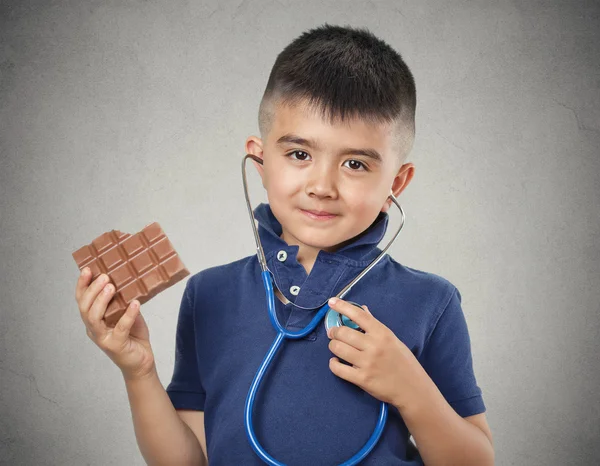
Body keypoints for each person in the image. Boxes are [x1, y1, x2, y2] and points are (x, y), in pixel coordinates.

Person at [75, 24, 494, 465]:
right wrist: (138, 372)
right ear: (260, 159)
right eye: (299, 155)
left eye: (354, 163)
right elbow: (189, 461)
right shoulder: (209, 295)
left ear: (398, 181)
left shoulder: (431, 302)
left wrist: (413, 390)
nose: (322, 186)